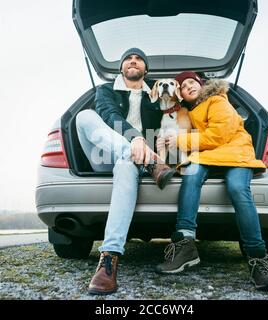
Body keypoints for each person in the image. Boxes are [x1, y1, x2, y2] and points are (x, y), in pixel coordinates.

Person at [155, 71, 268, 291]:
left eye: (192, 82)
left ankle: (257, 259)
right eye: (184, 86)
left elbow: (219, 135)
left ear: (202, 86)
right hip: (207, 154)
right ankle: (185, 246)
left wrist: (180, 140)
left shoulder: (217, 101)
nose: (189, 86)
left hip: (235, 152)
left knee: (237, 188)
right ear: (180, 94)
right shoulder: (188, 113)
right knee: (190, 176)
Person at [75, 48, 175, 295]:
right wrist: (135, 139)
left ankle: (108, 259)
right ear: (121, 68)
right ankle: (152, 164)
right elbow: (109, 115)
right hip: (105, 154)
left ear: (146, 70)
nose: (133, 61)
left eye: (139, 58)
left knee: (126, 161)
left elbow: (173, 111)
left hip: (131, 161)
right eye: (128, 58)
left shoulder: (154, 95)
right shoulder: (106, 90)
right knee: (85, 117)